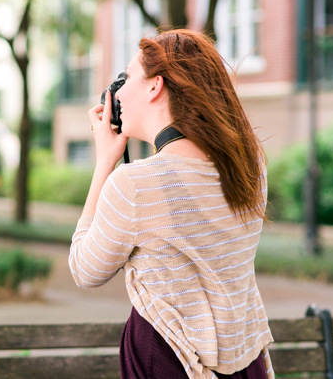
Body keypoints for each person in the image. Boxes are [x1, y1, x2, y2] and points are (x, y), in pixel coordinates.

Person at [69, 29, 273, 379]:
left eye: (127, 76)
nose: (118, 89)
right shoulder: (251, 169)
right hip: (244, 360)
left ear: (155, 86)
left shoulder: (134, 184)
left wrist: (105, 162)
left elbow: (85, 269)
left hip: (169, 361)